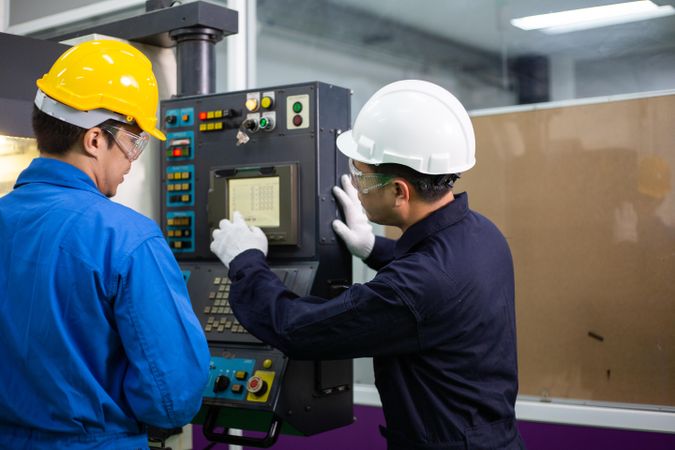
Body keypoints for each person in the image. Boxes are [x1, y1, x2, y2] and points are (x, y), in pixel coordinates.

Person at [210, 80, 525, 449]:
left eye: (361, 175)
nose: (357, 187)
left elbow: (298, 329)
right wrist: (373, 247)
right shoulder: (483, 234)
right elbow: (439, 279)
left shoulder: (416, 287)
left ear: (399, 192)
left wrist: (245, 261)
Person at [0, 40, 209, 449]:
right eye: (134, 141)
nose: (133, 159)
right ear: (95, 139)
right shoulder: (129, 239)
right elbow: (174, 398)